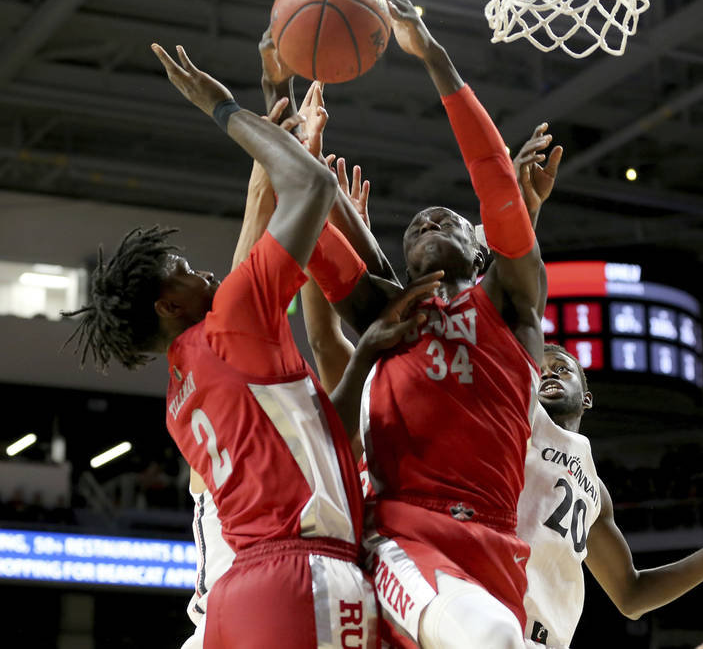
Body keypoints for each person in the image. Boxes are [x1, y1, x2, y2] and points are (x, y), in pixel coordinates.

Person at [63, 41, 441, 649]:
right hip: (302, 575)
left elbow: (326, 437)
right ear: (169, 306)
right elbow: (303, 194)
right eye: (184, 268)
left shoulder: (181, 393)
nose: (203, 272)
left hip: (238, 596)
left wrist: (366, 350)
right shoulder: (232, 321)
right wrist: (226, 109)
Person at [320, 0, 555, 649]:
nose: (425, 219)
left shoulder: (510, 307)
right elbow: (308, 245)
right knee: (488, 640)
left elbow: (496, 180)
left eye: (446, 218)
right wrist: (299, 164)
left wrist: (435, 57)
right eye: (415, 224)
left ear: (481, 250)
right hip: (404, 535)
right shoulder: (387, 314)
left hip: (496, 547)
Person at [519, 344, 703, 648]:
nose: (548, 373)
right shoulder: (515, 429)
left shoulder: (595, 489)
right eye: (538, 370)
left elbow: (632, 595)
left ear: (587, 399)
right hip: (484, 616)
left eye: (561, 368)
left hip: (545, 640)